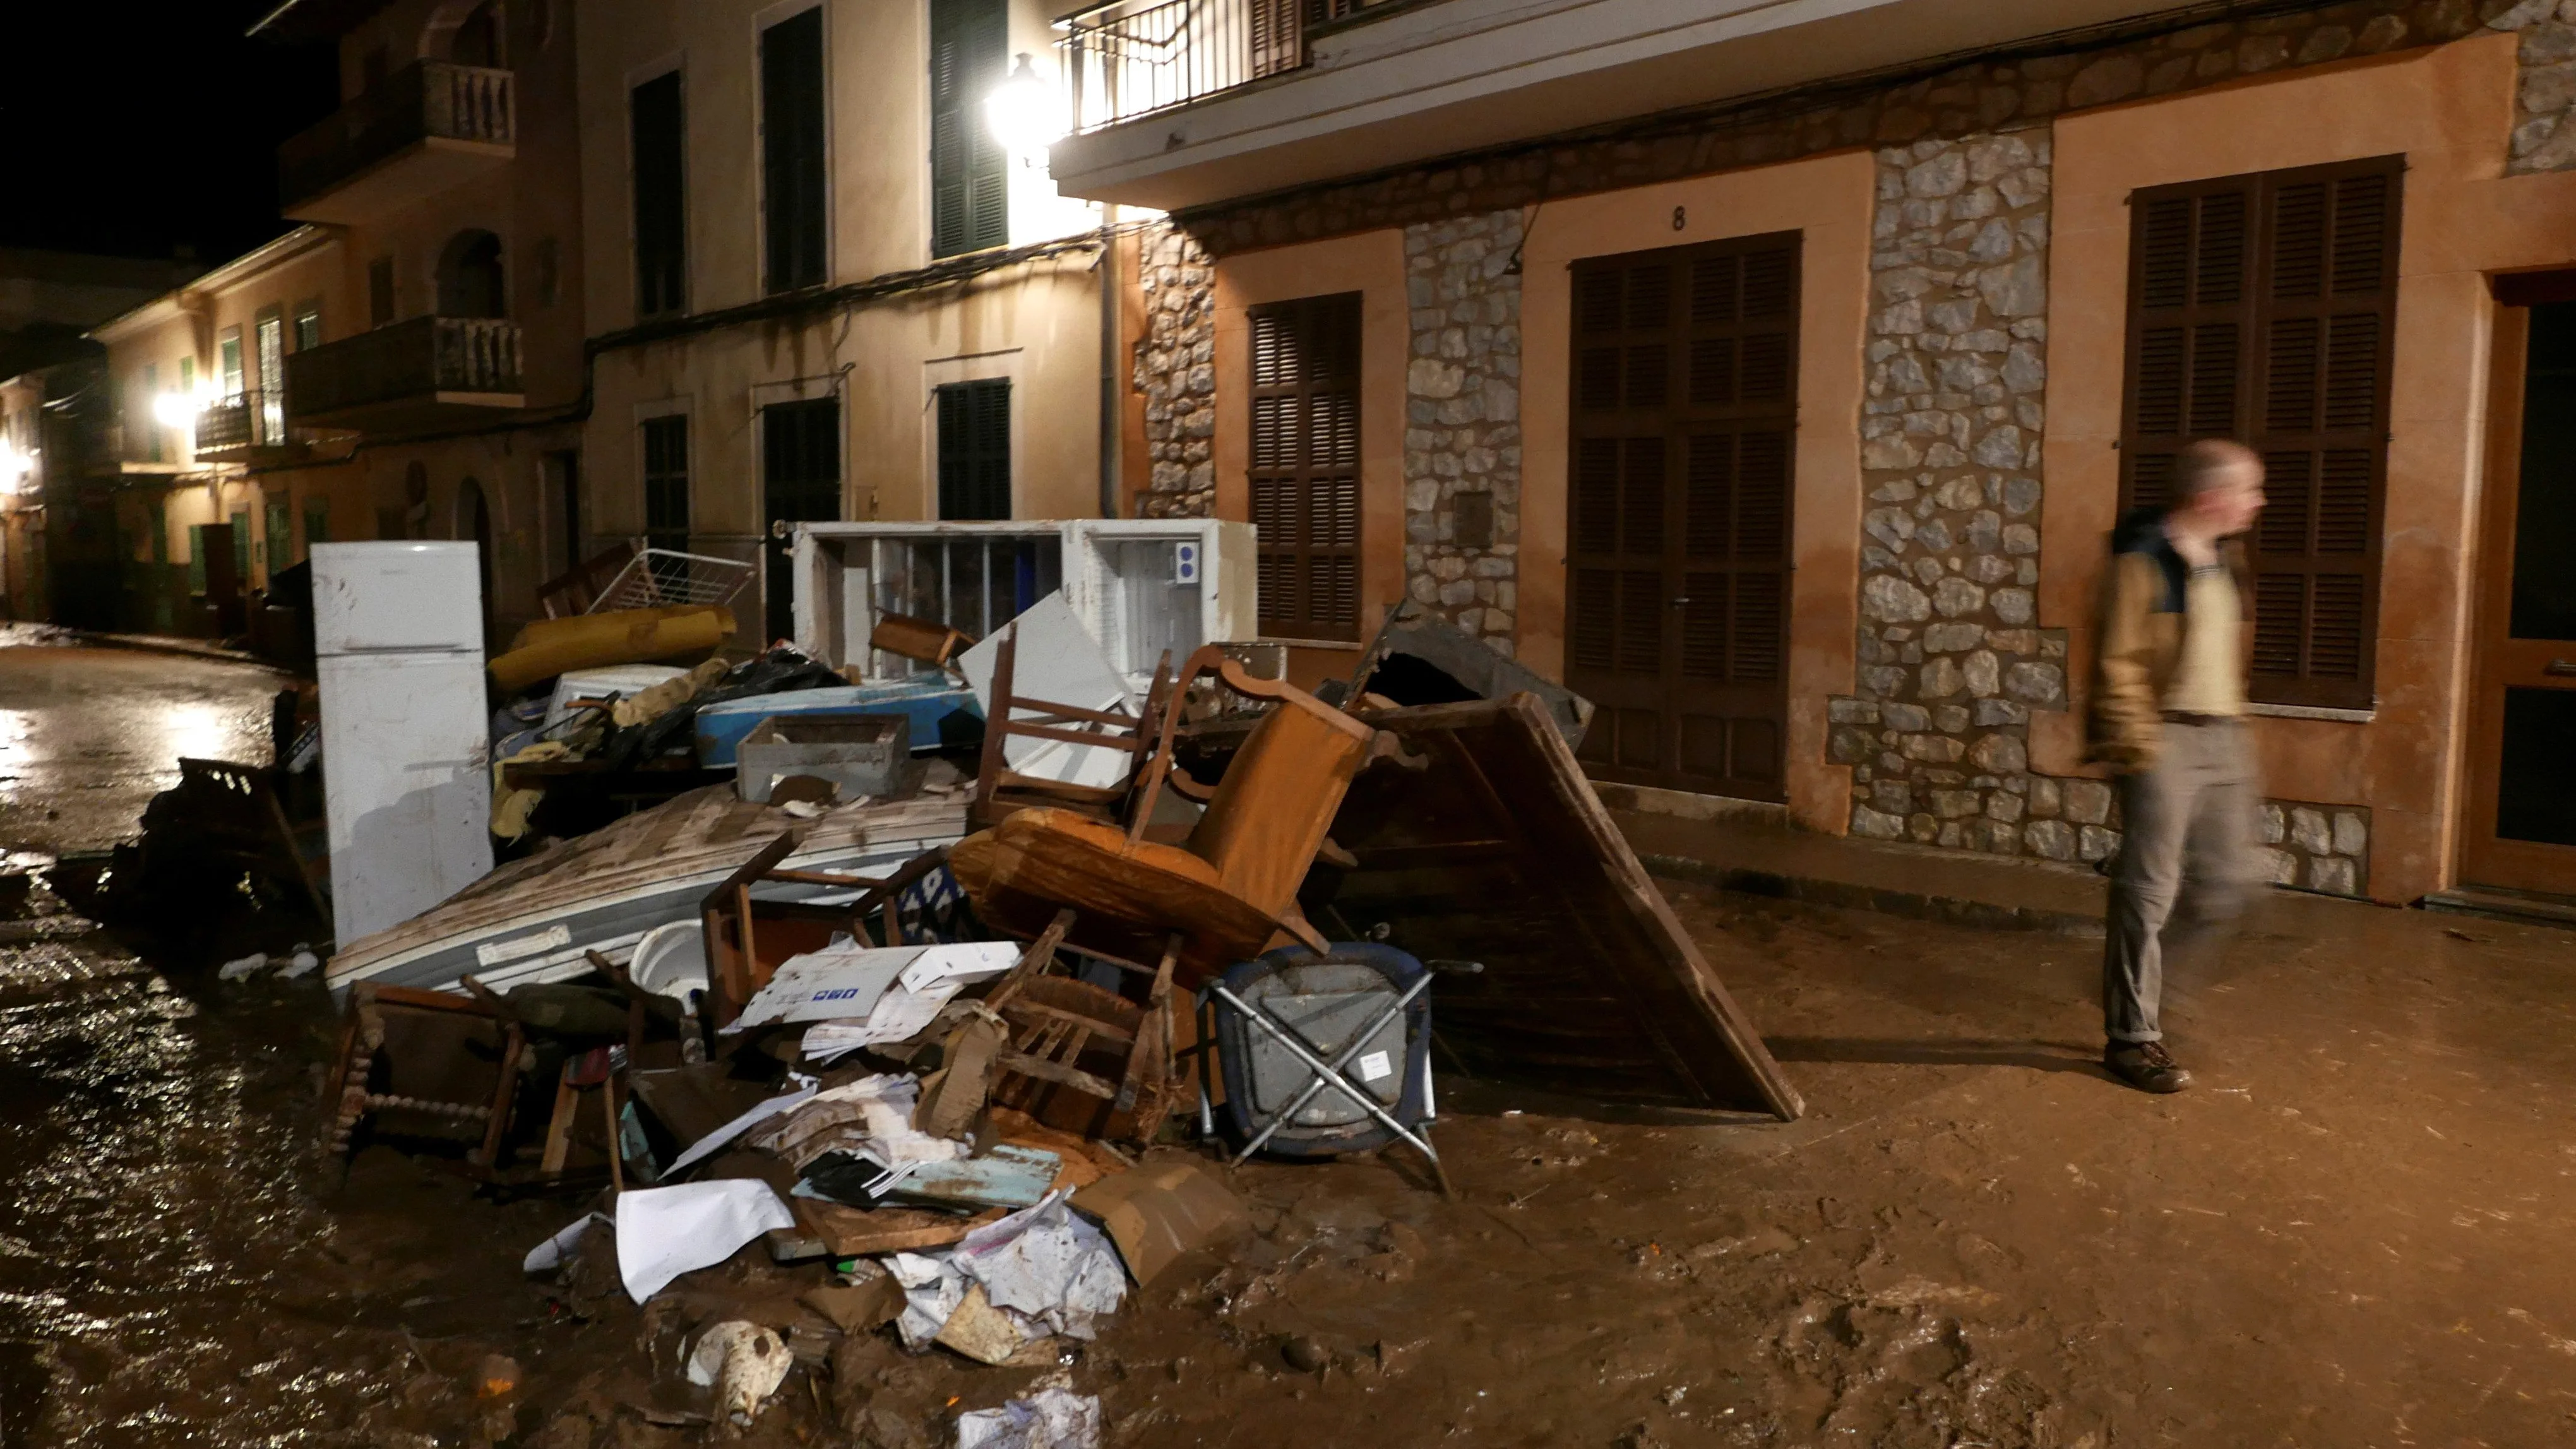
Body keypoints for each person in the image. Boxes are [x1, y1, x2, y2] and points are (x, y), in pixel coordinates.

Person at [2085, 439, 2269, 1094]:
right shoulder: (2143, 564)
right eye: (2250, 490)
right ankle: (2133, 1036)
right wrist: (2140, 749)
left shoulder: (2223, 557)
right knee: (2150, 888)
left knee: (2226, 886)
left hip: (2225, 736)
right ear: (2209, 497)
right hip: (2164, 739)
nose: (2260, 502)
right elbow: (2119, 663)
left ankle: (2131, 979)